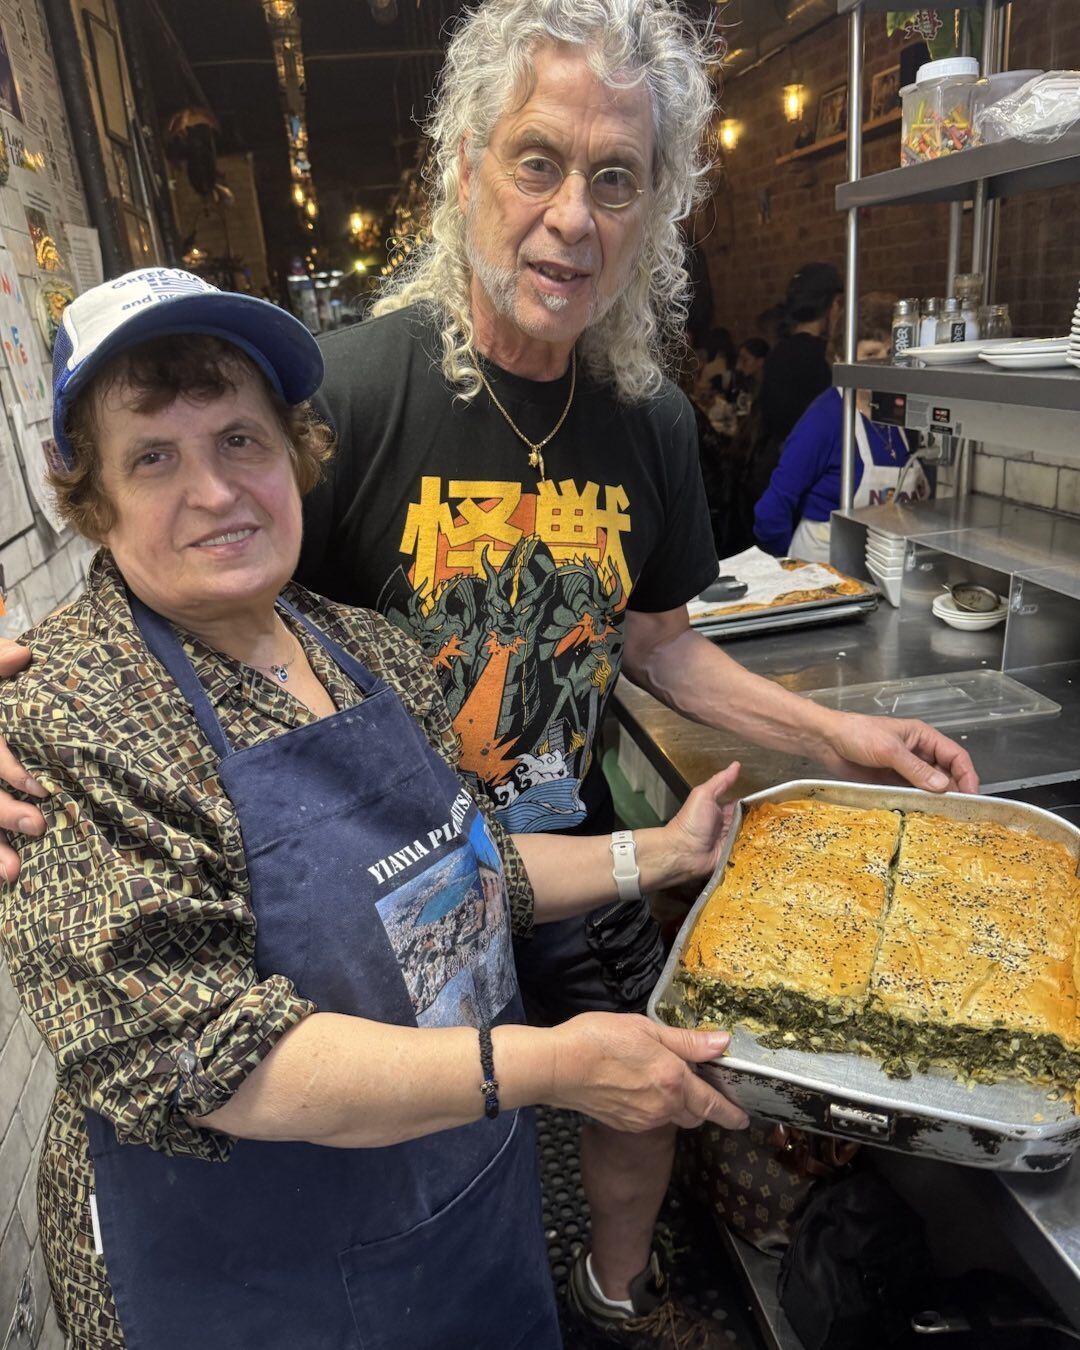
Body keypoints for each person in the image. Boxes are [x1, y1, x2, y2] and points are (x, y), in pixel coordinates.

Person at [0, 2, 978, 1342]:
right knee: (391, 1150)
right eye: (537, 161)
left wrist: (835, 740)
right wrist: (26, 683)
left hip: (511, 852)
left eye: (616, 178)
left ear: (654, 211)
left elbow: (656, 640)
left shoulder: (641, 423)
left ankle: (609, 1293)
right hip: (330, 904)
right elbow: (179, 617)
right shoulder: (338, 391)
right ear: (463, 167)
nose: (573, 214)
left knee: (589, 1100)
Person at [0, 269, 747, 1350]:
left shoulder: (367, 649)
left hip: (450, 1207)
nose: (215, 492)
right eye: (153, 457)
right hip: (248, 1280)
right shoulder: (72, 713)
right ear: (93, 497)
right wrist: (551, 1065)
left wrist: (661, 853)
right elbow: (201, 1053)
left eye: (242, 441)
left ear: (295, 454)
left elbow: (460, 872)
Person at [754, 293, 930, 561]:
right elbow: (771, 510)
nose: (885, 364)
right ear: (841, 357)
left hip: (880, 567)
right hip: (821, 571)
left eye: (892, 353)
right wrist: (786, 566)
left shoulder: (899, 416)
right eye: (871, 354)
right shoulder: (824, 419)